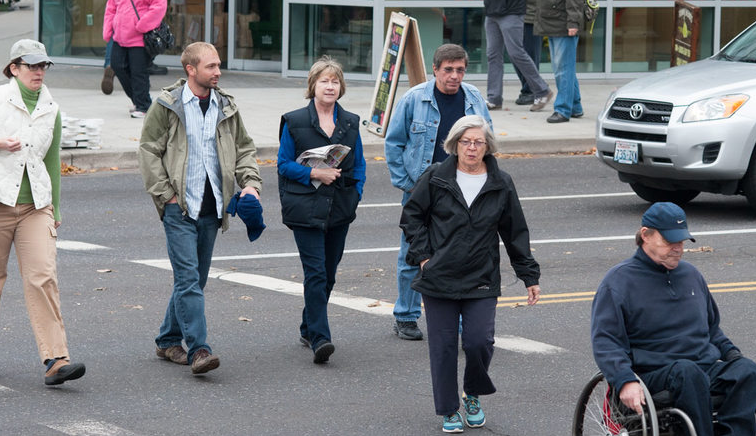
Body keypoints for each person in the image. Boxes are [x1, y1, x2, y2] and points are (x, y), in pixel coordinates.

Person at [0, 39, 86, 386]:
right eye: (32, 66)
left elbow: (53, 159)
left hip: (35, 207)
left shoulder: (51, 107)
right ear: (14, 68)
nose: (39, 72)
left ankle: (56, 359)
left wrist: (55, 205)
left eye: (43, 66)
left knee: (43, 277)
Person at [400, 115, 541, 433]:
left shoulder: (500, 182)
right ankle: (450, 410)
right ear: (455, 144)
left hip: (481, 276)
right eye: (466, 141)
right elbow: (412, 216)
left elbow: (514, 230)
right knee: (444, 346)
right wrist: (423, 258)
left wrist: (529, 276)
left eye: (478, 142)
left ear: (487, 146)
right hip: (439, 278)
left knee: (480, 342)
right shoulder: (436, 177)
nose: (472, 147)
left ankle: (473, 394)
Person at [138, 42, 262, 376]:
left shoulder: (226, 106)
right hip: (179, 207)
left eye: (218, 65)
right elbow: (149, 150)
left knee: (194, 279)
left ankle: (167, 338)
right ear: (191, 70)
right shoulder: (168, 105)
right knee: (189, 279)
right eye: (211, 66)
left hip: (213, 207)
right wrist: (166, 196)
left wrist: (250, 183)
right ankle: (199, 350)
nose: (218, 72)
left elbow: (243, 148)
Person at [591, 202, 756, 436]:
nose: (677, 249)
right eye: (669, 241)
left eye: (681, 242)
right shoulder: (619, 282)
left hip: (701, 368)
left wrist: (734, 356)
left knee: (748, 371)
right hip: (654, 373)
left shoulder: (691, 275)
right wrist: (624, 380)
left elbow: (712, 330)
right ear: (645, 236)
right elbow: (606, 341)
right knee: (687, 372)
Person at [384, 44, 492, 341]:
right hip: (423, 190)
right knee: (412, 254)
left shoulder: (473, 99)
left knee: (459, 256)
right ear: (435, 70)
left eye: (459, 70)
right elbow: (393, 143)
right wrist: (408, 184)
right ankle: (405, 315)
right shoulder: (414, 99)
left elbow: (487, 140)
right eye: (448, 70)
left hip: (464, 191)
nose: (454, 76)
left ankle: (458, 323)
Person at [277, 56, 367, 364]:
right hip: (305, 208)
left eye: (335, 81)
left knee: (328, 275)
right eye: (324, 81)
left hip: (339, 208)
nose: (330, 86)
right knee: (315, 273)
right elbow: (283, 165)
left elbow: (360, 165)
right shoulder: (294, 121)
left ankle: (307, 325)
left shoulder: (351, 122)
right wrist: (315, 173)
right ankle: (320, 337)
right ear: (312, 85)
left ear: (341, 87)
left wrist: (356, 195)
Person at [103, 0, 167, 118]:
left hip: (139, 39)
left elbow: (159, 7)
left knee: (138, 72)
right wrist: (108, 29)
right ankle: (139, 100)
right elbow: (111, 8)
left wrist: (142, 25)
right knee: (117, 66)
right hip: (120, 37)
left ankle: (143, 106)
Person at [532, 0, 587, 124]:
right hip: (555, 23)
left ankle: (563, 110)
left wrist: (573, 23)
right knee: (565, 68)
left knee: (562, 69)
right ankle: (576, 106)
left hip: (563, 25)